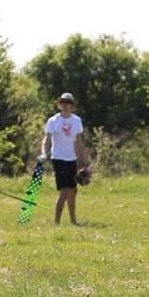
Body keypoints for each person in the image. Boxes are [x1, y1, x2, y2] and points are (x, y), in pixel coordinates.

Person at [40, 92, 92, 225]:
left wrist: (84, 162)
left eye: (68, 102)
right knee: (64, 191)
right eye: (62, 102)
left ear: (72, 106)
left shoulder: (76, 121)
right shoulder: (53, 121)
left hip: (71, 159)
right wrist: (44, 153)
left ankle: (73, 220)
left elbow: (79, 142)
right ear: (59, 105)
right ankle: (56, 222)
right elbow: (47, 139)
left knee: (73, 190)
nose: (65, 105)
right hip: (58, 158)